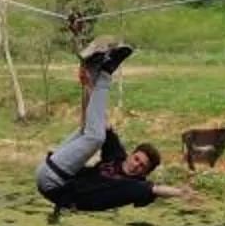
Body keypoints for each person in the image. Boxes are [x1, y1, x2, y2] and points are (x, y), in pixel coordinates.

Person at [37, 42, 192, 211]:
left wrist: (179, 192)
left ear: (144, 173)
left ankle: (105, 73)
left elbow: (155, 189)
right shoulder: (117, 156)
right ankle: (93, 69)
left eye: (142, 167)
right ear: (131, 155)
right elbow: (98, 121)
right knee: (91, 129)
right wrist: (88, 85)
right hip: (53, 169)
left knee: (95, 137)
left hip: (54, 183)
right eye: (137, 159)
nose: (136, 165)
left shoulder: (130, 186)